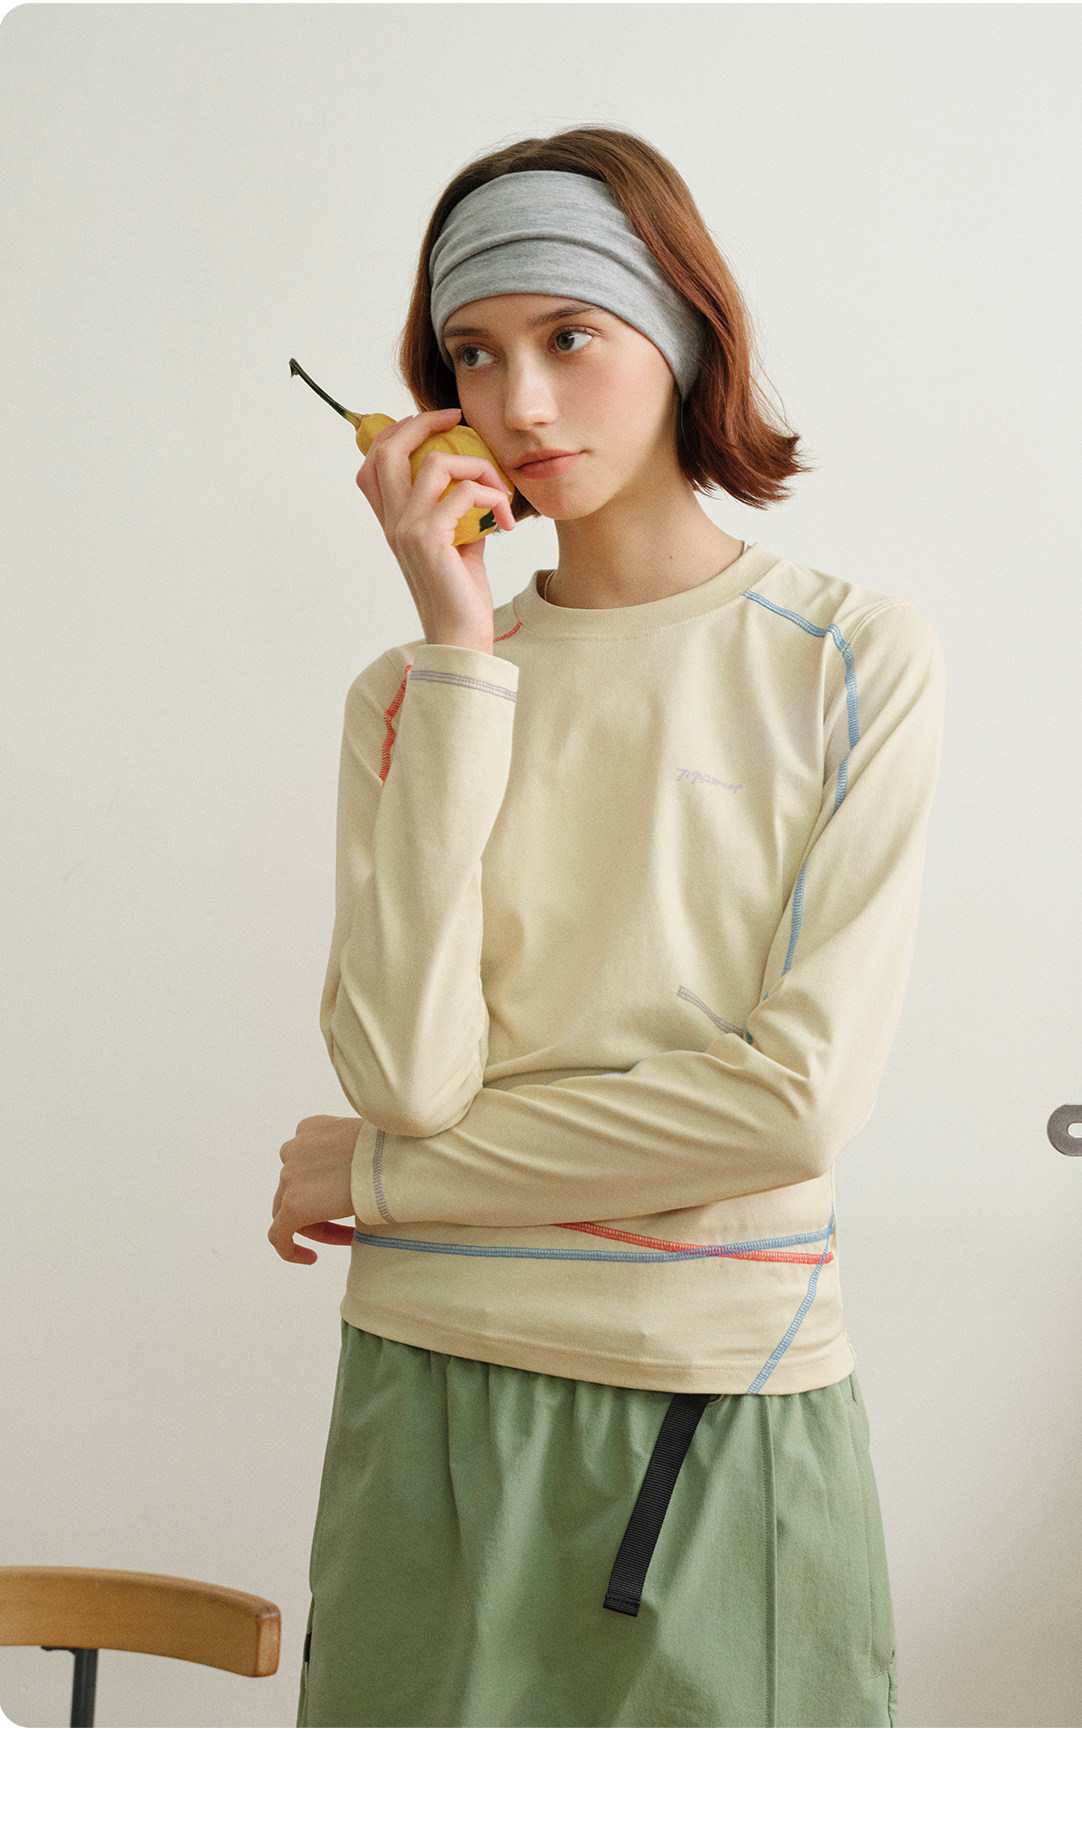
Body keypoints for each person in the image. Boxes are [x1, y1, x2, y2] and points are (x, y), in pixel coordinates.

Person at [269, 125, 945, 1728]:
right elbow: (409, 1076)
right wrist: (457, 646)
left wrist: (385, 1181)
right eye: (473, 353)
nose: (520, 401)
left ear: (686, 331)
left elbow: (790, 1106)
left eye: (569, 334)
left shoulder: (849, 657)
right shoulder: (408, 695)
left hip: (720, 1394)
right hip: (423, 1386)